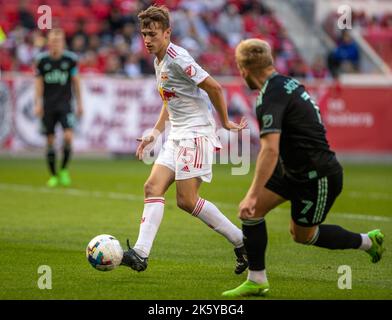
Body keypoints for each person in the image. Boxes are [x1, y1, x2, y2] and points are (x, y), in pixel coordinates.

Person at [222, 39, 385, 297]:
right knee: (251, 213)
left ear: (244, 69)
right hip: (293, 169)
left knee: (303, 235)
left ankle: (367, 241)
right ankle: (257, 280)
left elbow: (270, 149)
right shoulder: (288, 83)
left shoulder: (270, 95)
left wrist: (252, 193)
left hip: (317, 175)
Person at [121, 5, 248, 275]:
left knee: (187, 201)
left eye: (153, 34)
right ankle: (141, 254)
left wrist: (224, 123)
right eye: (144, 33)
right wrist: (154, 134)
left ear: (167, 33)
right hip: (177, 135)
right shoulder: (158, 60)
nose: (147, 39)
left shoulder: (179, 58)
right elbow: (171, 100)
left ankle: (241, 241)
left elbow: (214, 87)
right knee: (152, 188)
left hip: (197, 134)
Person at [34, 28, 83, 187]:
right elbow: (39, 83)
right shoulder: (42, 60)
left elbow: (76, 82)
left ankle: (63, 170)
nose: (56, 43)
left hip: (65, 105)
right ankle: (53, 175)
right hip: (48, 106)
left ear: (63, 42)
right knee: (50, 140)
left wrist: (80, 103)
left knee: (68, 137)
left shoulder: (70, 60)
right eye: (53, 40)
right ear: (49, 42)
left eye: (59, 40)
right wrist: (37, 103)